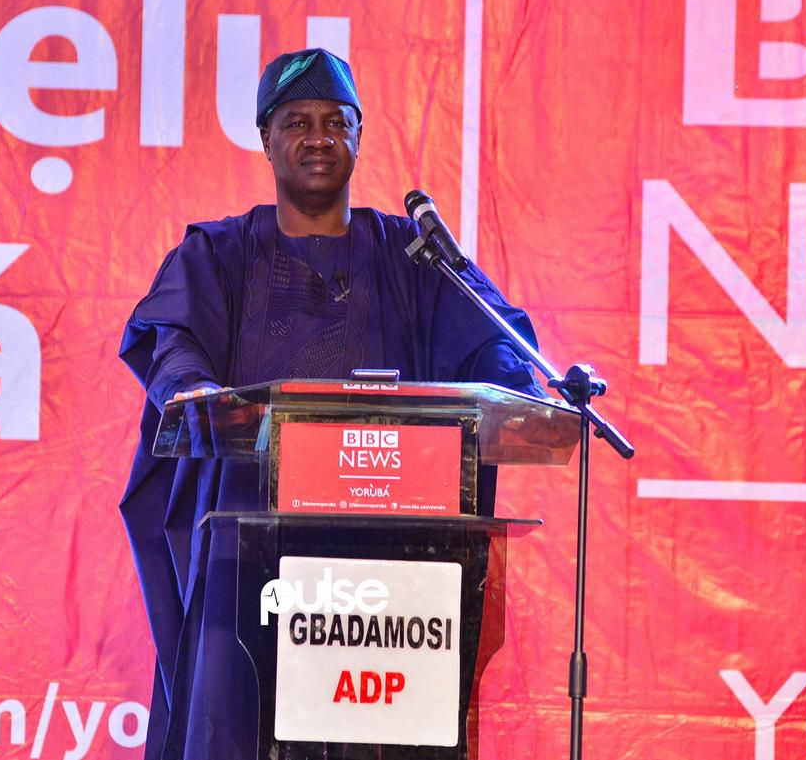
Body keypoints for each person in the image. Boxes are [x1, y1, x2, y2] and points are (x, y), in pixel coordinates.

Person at [119, 48, 547, 760]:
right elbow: (176, 346)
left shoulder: (412, 255)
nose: (317, 137)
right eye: (296, 122)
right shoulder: (217, 255)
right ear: (265, 139)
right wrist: (193, 389)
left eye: (334, 122)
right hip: (249, 562)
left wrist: (509, 385)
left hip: (393, 579)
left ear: (359, 134)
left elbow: (496, 344)